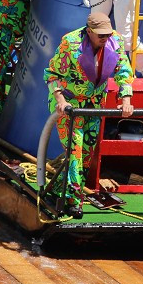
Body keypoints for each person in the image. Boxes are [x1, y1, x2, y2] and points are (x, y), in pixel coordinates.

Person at [43, 12, 135, 217]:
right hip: (70, 105)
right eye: (100, 35)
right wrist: (61, 101)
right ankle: (74, 202)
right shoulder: (70, 43)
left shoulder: (116, 41)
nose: (105, 38)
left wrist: (126, 100)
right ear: (89, 31)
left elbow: (124, 72)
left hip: (94, 106)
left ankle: (58, 189)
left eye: (108, 34)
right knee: (74, 152)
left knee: (86, 155)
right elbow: (51, 74)